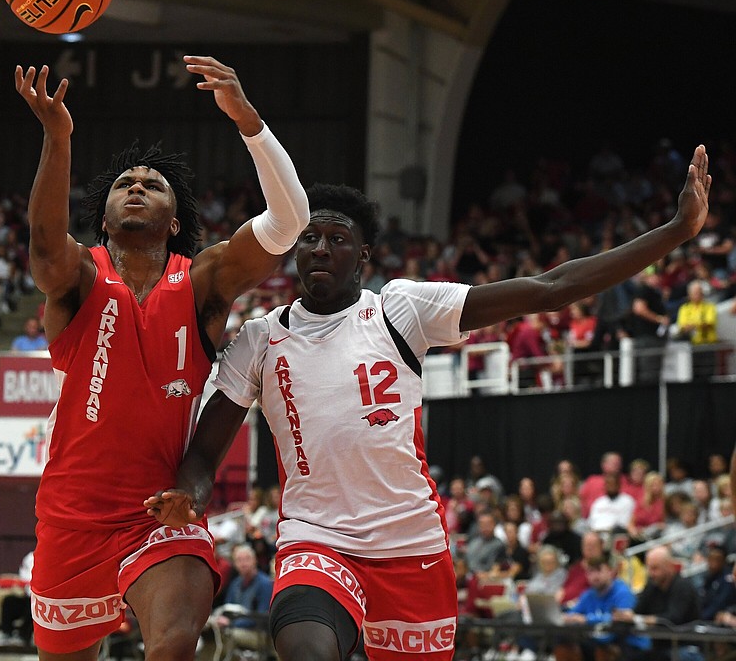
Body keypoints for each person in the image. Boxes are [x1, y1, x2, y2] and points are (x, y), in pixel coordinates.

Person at [148, 150, 711, 661]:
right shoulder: (259, 339)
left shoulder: (402, 310)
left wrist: (675, 231)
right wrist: (189, 496)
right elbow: (203, 453)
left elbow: (550, 288)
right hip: (316, 541)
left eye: (336, 238)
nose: (320, 248)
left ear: (363, 254)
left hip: (411, 544)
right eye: (309, 238)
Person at [15, 55, 309, 660]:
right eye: (125, 184)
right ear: (104, 218)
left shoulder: (202, 281)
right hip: (71, 514)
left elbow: (288, 223)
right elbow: (44, 246)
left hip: (160, 508)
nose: (138, 187)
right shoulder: (80, 277)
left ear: (175, 222)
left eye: (153, 184)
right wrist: (57, 136)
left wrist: (249, 121)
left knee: (175, 642)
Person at [612, 546, 701, 661]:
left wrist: (639, 619)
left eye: (655, 568)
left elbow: (673, 619)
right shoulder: (652, 586)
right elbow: (637, 611)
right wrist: (624, 616)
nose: (651, 573)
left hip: (685, 646)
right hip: (659, 648)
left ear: (669, 567)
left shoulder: (683, 587)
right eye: (648, 568)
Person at [214, 544, 274, 658]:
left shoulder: (264, 584)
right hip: (234, 627)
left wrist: (232, 623)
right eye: (239, 560)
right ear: (235, 564)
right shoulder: (235, 584)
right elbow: (227, 608)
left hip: (258, 633)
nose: (243, 563)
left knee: (226, 636)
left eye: (247, 559)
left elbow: (262, 617)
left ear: (255, 560)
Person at [0, 550, 34, 645]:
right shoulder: (30, 557)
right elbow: (23, 575)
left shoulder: (51, 556)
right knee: (8, 601)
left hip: (40, 599)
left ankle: (23, 636)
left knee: (33, 606)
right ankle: (7, 633)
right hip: (27, 595)